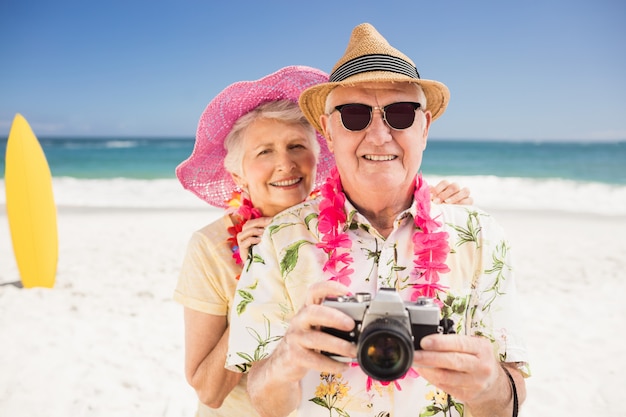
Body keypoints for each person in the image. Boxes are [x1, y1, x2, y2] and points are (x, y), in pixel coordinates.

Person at [226, 23, 529, 417]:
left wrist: (489, 384)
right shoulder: (279, 238)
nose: (379, 134)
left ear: (425, 127)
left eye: (401, 113)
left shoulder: (481, 236)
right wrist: (286, 359)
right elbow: (265, 402)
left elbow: (509, 402)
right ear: (328, 134)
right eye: (354, 115)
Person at [174, 66, 473, 417]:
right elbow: (208, 391)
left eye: (296, 146)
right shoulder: (211, 247)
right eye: (264, 152)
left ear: (319, 157)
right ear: (239, 173)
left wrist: (438, 210)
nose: (285, 163)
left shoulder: (344, 223)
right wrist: (257, 283)